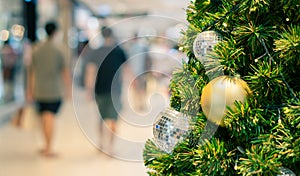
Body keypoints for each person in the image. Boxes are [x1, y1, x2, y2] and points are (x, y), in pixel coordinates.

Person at [27, 21, 71, 157]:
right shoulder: (59, 49)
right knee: (50, 117)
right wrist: (68, 89)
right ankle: (48, 148)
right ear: (56, 32)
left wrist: (30, 90)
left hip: (39, 90)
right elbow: (64, 71)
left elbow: (32, 72)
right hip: (54, 90)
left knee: (43, 118)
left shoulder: (36, 49)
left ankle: (45, 145)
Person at [84, 26, 127, 154]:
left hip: (100, 89)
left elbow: (91, 71)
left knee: (101, 118)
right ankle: (110, 147)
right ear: (112, 36)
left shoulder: (96, 51)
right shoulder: (119, 51)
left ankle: (101, 143)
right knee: (113, 119)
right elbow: (126, 70)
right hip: (116, 90)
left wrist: (89, 89)